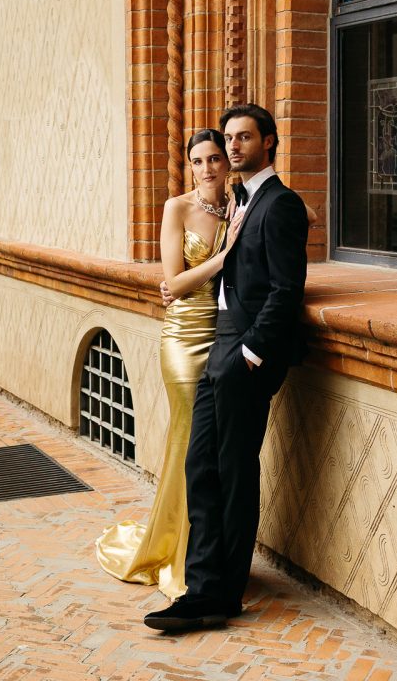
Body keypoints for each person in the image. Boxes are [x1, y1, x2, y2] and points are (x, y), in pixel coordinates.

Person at [144, 103, 309, 632]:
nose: (233, 147)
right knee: (201, 467)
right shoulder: (240, 200)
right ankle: (201, 588)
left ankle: (223, 594)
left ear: (269, 142)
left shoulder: (280, 203)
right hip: (216, 347)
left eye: (243, 138)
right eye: (229, 138)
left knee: (235, 474)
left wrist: (251, 353)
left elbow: (286, 290)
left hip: (244, 355)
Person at [95, 129, 245, 597]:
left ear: (228, 163)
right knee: (188, 443)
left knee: (212, 447)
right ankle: (178, 554)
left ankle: (205, 549)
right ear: (189, 167)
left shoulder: (240, 205)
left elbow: (307, 212)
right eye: (197, 161)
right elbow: (173, 284)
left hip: (221, 336)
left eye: (215, 159)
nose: (207, 169)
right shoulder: (176, 209)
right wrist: (224, 257)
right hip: (182, 342)